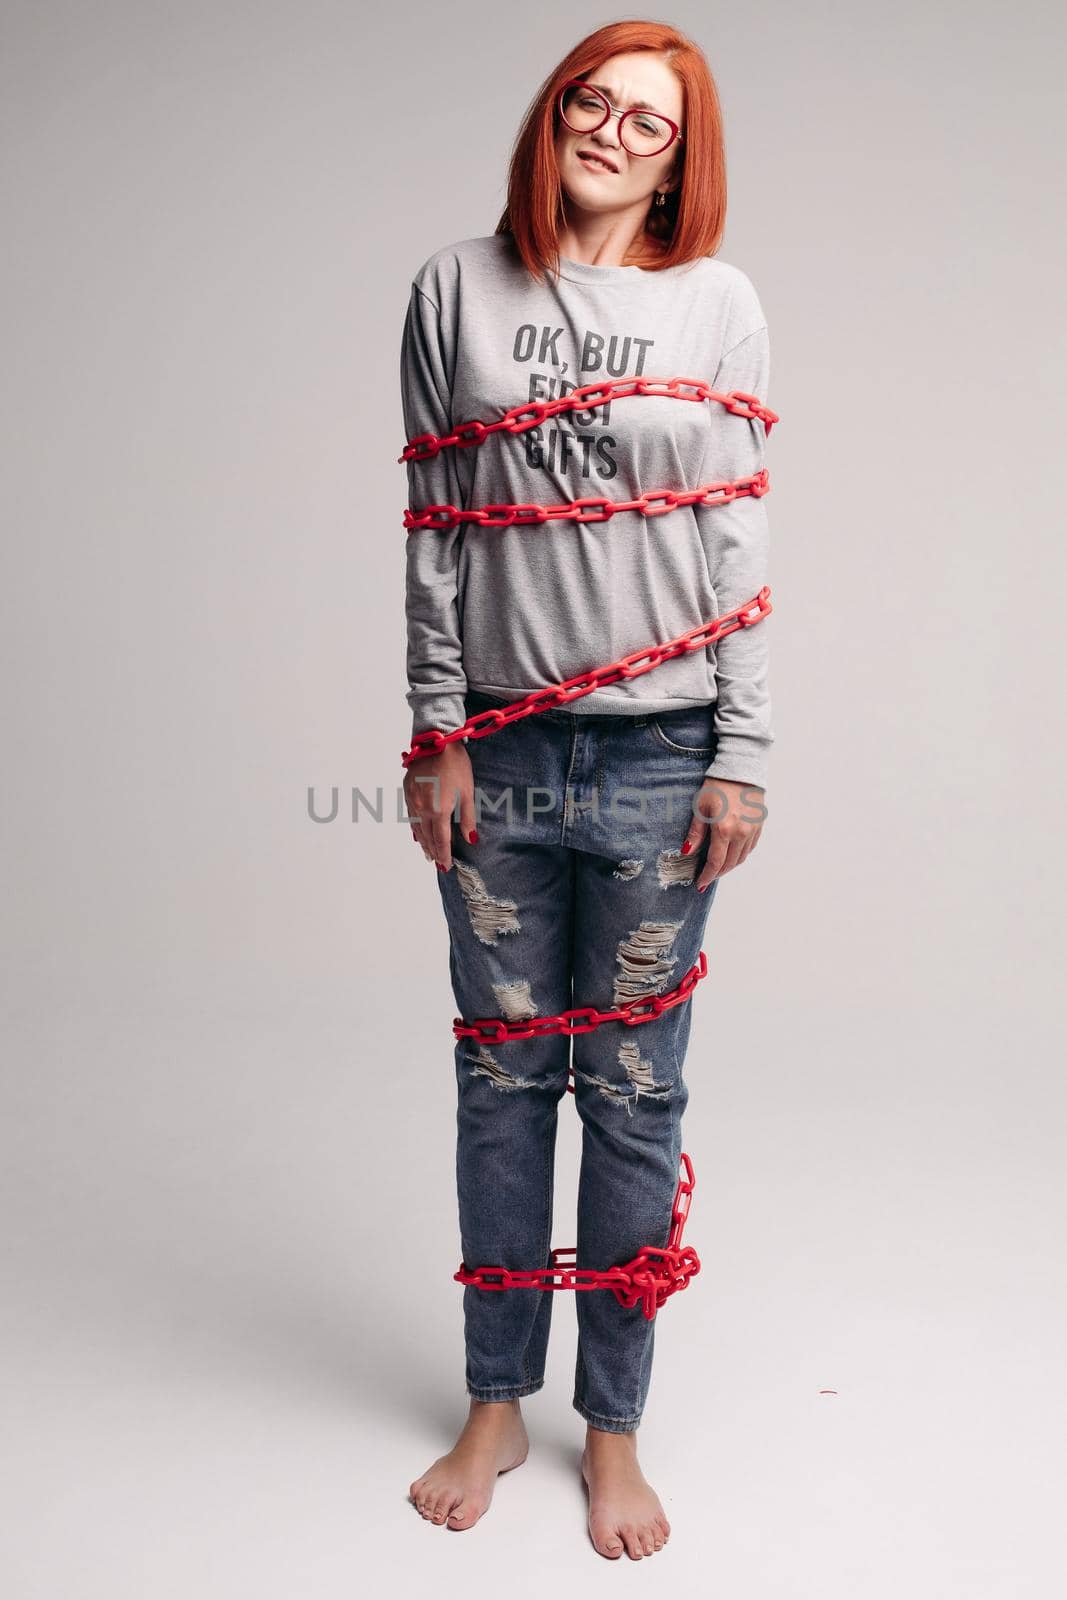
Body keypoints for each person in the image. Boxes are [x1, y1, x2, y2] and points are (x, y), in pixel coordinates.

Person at [402, 19, 775, 1561]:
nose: (618, 133)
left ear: (685, 160)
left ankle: (609, 1429)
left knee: (631, 1096)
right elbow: (433, 521)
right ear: (553, 113)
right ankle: (498, 1397)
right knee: (503, 1079)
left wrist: (744, 749)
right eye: (594, 101)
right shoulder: (457, 287)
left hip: (660, 750)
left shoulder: (719, 303)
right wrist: (437, 729)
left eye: (655, 123)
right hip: (500, 743)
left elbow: (740, 537)